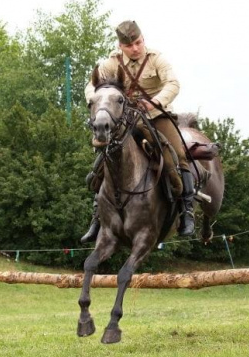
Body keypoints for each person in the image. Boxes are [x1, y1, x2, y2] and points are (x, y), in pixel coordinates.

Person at [81, 20, 195, 243]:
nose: (135, 48)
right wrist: (95, 101)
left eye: (138, 42)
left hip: (157, 116)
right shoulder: (111, 63)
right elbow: (91, 86)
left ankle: (187, 211)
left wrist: (154, 102)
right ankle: (97, 216)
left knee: (177, 154)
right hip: (126, 119)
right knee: (106, 158)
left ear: (143, 39)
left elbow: (173, 84)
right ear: (121, 46)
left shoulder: (156, 59)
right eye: (130, 45)